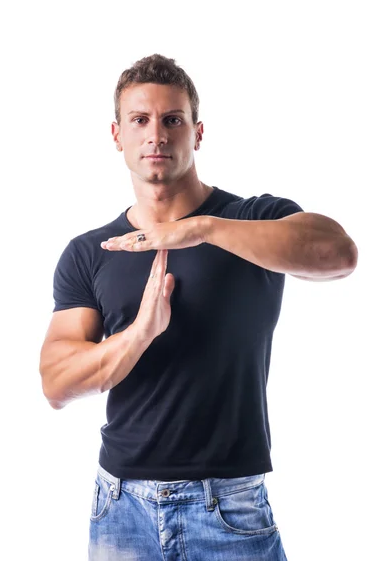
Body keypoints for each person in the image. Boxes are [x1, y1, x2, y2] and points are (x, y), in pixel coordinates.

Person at [39, 54, 358, 561]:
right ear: (117, 135)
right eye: (140, 121)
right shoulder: (90, 251)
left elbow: (338, 253)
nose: (157, 135)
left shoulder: (252, 219)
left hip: (227, 506)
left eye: (173, 120)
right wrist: (139, 333)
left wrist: (200, 228)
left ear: (198, 131)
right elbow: (55, 383)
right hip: (120, 506)